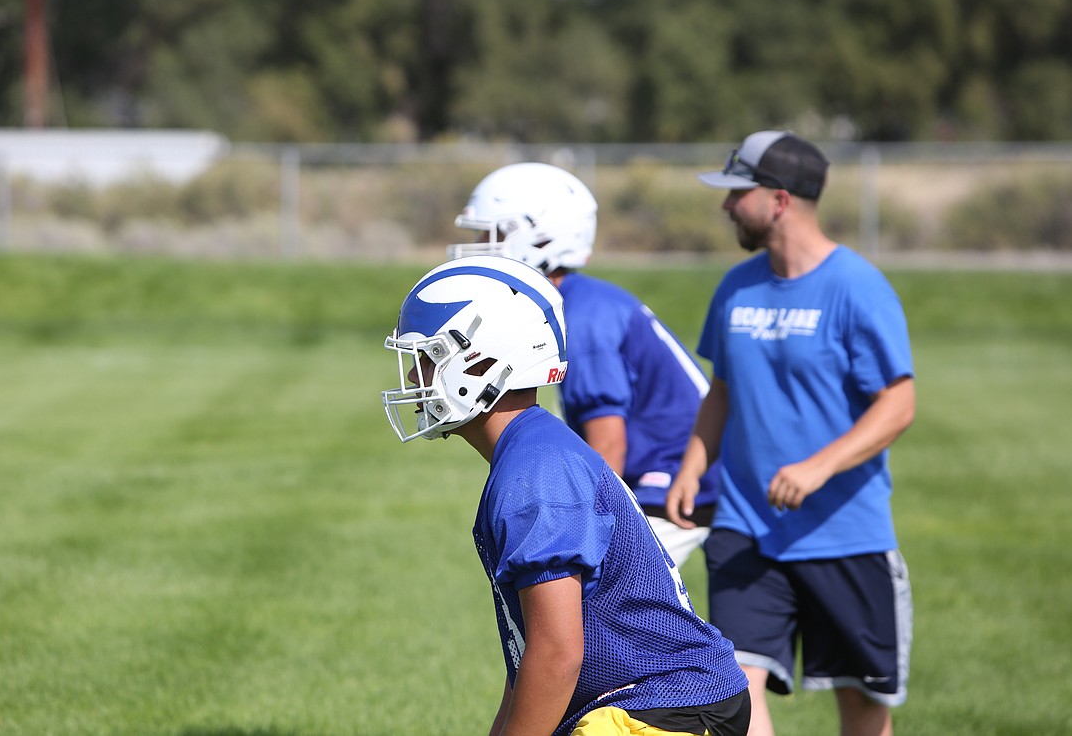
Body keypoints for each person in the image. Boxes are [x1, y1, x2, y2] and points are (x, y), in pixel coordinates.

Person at [381, 255, 750, 736]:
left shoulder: (536, 472)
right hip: (646, 704)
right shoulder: (532, 452)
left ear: (480, 362)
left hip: (665, 706)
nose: (414, 379)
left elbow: (558, 653)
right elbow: (530, 663)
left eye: (428, 359)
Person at [664, 131, 915, 736]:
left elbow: (898, 403)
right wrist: (693, 465)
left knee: (861, 706)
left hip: (843, 536)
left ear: (779, 200)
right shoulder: (736, 287)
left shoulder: (856, 287)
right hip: (745, 530)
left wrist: (817, 467)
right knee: (734, 691)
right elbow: (722, 390)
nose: (726, 207)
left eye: (737, 194)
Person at [448, 162, 719, 567]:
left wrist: (577, 525)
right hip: (669, 482)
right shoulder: (577, 300)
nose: (482, 247)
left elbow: (608, 443)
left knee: (587, 604)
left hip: (675, 488)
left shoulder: (583, 314)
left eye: (495, 235)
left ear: (540, 236)